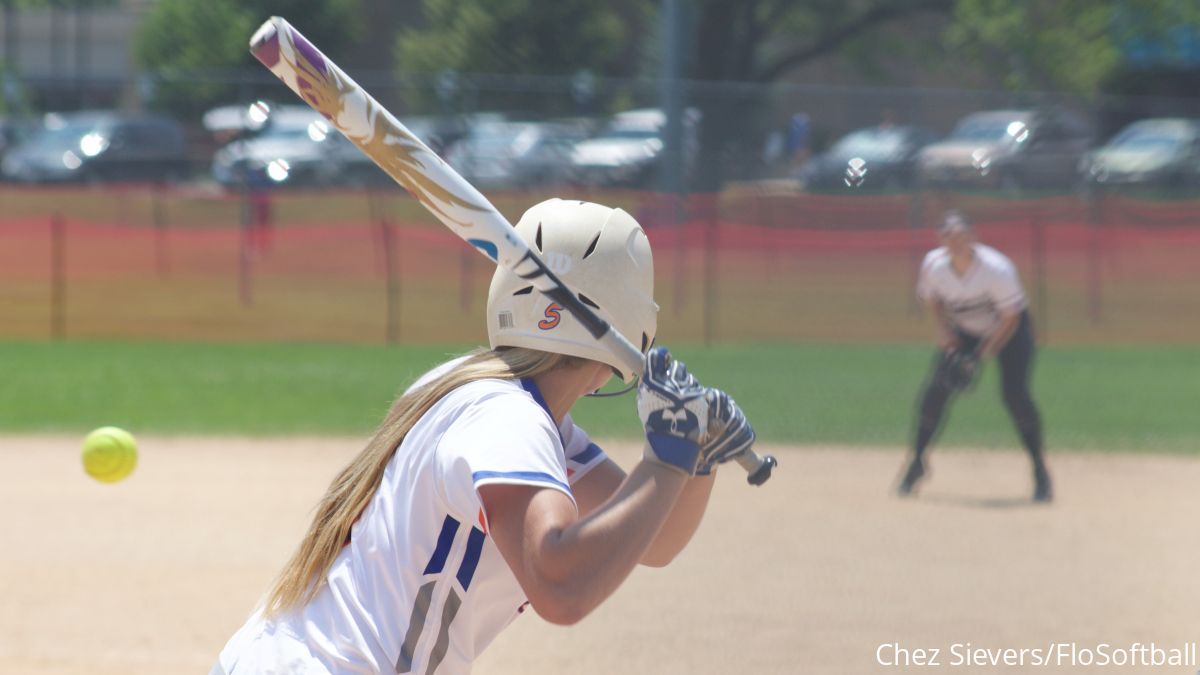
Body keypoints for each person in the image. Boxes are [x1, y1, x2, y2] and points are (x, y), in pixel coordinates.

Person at [211, 198, 756, 675]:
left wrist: (692, 460)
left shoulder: (482, 394)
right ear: (629, 323)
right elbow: (560, 585)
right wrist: (666, 459)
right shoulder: (508, 420)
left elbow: (652, 541)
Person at [897, 210, 1053, 502]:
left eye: (960, 236)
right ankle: (916, 462)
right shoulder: (934, 265)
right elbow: (933, 299)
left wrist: (980, 354)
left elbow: (1011, 318)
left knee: (1015, 395)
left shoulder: (996, 269)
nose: (955, 242)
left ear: (972, 237)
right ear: (940, 240)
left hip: (1011, 332)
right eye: (948, 237)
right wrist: (943, 331)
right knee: (934, 392)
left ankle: (1040, 470)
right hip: (965, 331)